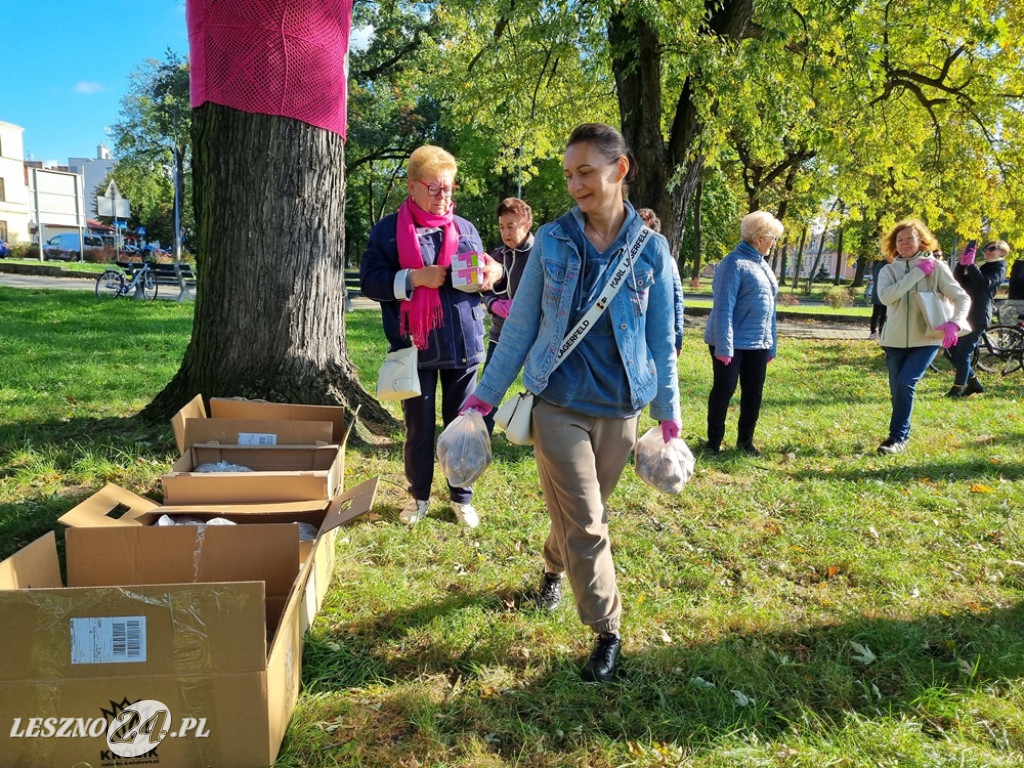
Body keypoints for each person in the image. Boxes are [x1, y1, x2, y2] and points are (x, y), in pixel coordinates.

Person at [461, 123, 681, 683]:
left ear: (620, 169)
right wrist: (481, 403)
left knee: (579, 517)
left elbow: (663, 339)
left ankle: (552, 569)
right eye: (569, 174)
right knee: (587, 519)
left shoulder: (652, 250)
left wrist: (668, 414)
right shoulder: (554, 242)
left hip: (622, 409)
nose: (576, 184)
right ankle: (609, 630)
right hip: (556, 405)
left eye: (586, 171)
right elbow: (520, 327)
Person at [359, 145, 504, 528]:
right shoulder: (388, 232)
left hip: (463, 345)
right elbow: (370, 281)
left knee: (463, 428)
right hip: (415, 348)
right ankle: (419, 497)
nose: (444, 198)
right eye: (435, 189)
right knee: (418, 430)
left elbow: (484, 277)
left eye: (450, 189)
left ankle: (461, 497)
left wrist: (495, 274)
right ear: (412, 186)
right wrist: (412, 279)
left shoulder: (466, 228)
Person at [875, 218, 970, 454]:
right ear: (893, 244)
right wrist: (916, 273)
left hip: (927, 338)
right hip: (894, 341)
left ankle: (896, 438)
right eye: (900, 239)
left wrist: (955, 324)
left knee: (906, 383)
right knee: (897, 389)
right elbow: (887, 297)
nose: (905, 243)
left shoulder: (937, 268)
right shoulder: (888, 270)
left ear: (921, 241)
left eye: (910, 238)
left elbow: (962, 297)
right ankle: (901, 433)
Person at [703, 211, 783, 457]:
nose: (774, 243)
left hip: (757, 342)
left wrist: (771, 344)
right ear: (760, 237)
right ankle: (713, 442)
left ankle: (745, 442)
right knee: (724, 390)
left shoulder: (762, 264)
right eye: (773, 238)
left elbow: (770, 309)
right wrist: (725, 347)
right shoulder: (733, 263)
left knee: (754, 393)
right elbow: (723, 307)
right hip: (731, 343)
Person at [479, 198, 535, 431]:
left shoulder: (541, 254)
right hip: (501, 334)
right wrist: (495, 305)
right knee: (488, 389)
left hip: (536, 338)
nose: (505, 233)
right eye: (502, 227)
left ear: (527, 224)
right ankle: (480, 435)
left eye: (511, 226)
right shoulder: (497, 255)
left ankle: (539, 439)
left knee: (539, 392)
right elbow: (484, 292)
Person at [949, 239, 1009, 397]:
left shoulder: (1000, 266)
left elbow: (984, 284)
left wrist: (971, 265)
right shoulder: (985, 266)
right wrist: (962, 264)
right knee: (952, 351)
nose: (987, 251)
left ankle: (957, 389)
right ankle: (974, 383)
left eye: (992, 248)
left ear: (1002, 252)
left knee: (963, 354)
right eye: (985, 249)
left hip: (978, 315)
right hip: (965, 313)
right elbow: (959, 281)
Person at [637, 207, 685, 355]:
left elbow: (676, 299)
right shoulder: (622, 260)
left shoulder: (666, 261)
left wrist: (678, 337)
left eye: (644, 230)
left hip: (656, 335)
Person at [868, 253, 894, 339]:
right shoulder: (881, 266)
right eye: (891, 256)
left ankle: (881, 331)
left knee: (884, 314)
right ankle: (873, 332)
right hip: (878, 294)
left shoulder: (891, 266)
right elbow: (879, 279)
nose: (892, 258)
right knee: (876, 313)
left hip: (887, 294)